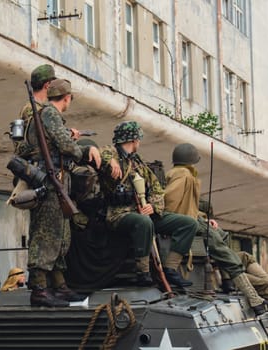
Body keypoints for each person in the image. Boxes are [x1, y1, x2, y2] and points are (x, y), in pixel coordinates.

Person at [164, 143, 268, 315]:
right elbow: (172, 203)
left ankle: (230, 281)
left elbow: (187, 205)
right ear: (190, 162)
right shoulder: (183, 175)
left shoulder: (182, 175)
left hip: (193, 223)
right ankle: (253, 297)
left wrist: (204, 218)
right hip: (189, 226)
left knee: (238, 253)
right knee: (227, 254)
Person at [23, 78, 101, 307]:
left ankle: (59, 285)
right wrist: (83, 151)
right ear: (66, 98)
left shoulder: (47, 115)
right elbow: (65, 146)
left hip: (57, 178)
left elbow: (59, 143)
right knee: (45, 235)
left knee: (60, 235)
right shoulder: (49, 114)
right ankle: (39, 288)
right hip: (49, 181)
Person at [98, 121, 198, 288]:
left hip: (144, 210)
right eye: (138, 139)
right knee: (143, 222)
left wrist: (153, 206)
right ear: (134, 140)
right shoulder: (111, 153)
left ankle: (170, 269)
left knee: (188, 224)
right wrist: (111, 162)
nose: (139, 143)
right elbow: (98, 152)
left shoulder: (138, 162)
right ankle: (142, 272)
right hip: (119, 213)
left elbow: (157, 189)